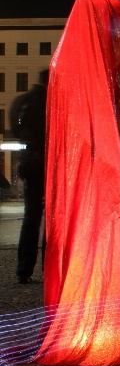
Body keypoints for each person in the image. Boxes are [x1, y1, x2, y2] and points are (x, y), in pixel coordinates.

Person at [10, 69, 48, 284]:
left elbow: (16, 131)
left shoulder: (21, 101)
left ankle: (23, 269)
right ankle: (48, 266)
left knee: (30, 217)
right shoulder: (50, 102)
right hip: (46, 163)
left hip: (27, 161)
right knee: (51, 219)